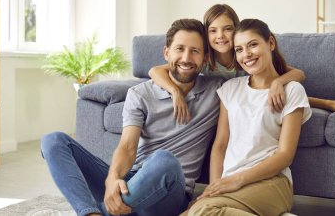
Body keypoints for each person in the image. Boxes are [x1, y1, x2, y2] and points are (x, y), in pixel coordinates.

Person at [41, 18, 224, 216]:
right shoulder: (140, 93)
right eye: (179, 49)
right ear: (166, 52)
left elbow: (245, 69)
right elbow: (128, 146)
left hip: (170, 192)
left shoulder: (217, 91)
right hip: (132, 183)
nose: (186, 58)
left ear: (205, 58)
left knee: (165, 160)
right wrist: (113, 178)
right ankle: (90, 213)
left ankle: (106, 211)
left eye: (195, 51)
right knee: (53, 141)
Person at [182, 18, 312, 216]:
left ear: (270, 43)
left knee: (203, 212)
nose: (246, 54)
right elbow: (220, 145)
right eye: (239, 49)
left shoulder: (292, 90)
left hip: (272, 182)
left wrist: (237, 180)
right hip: (230, 182)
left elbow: (285, 155)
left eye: (252, 45)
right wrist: (215, 186)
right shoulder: (230, 89)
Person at [149, 4, 335, 124]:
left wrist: (278, 83)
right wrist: (175, 92)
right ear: (207, 34)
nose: (220, 36)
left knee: (276, 91)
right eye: (213, 30)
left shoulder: (246, 57)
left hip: (250, 99)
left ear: (237, 30)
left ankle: (329, 103)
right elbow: (155, 70)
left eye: (227, 29)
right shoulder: (203, 59)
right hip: (218, 104)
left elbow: (298, 74)